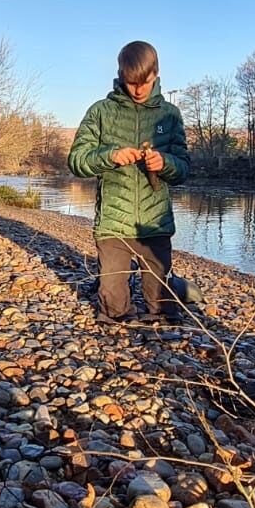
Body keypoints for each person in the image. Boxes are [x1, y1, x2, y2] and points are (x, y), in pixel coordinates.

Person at [67, 41, 191, 325]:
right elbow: (76, 161)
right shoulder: (101, 111)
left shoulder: (169, 115)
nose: (137, 90)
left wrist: (166, 163)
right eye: (130, 82)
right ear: (120, 74)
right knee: (113, 311)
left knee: (162, 310)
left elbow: (184, 169)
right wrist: (109, 156)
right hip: (113, 223)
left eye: (144, 83)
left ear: (156, 74)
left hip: (154, 224)